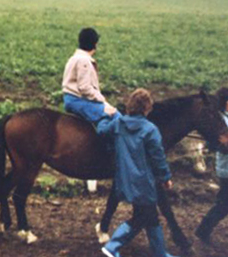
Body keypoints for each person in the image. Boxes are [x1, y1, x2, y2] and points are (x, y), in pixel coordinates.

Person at [97, 88, 176, 257]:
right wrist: (166, 178)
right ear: (147, 108)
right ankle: (112, 247)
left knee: (150, 215)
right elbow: (158, 157)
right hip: (144, 182)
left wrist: (106, 115)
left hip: (124, 181)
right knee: (141, 217)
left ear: (130, 106)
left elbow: (101, 131)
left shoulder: (119, 123)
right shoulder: (150, 129)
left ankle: (160, 253)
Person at [62, 27, 117, 126]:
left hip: (70, 98)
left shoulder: (73, 58)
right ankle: (102, 139)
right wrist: (101, 99)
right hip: (78, 100)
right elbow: (84, 87)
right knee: (115, 117)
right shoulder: (84, 60)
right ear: (95, 44)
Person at [194, 87, 228, 245]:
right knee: (223, 204)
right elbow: (219, 145)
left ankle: (204, 229)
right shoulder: (221, 121)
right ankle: (203, 230)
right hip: (226, 170)